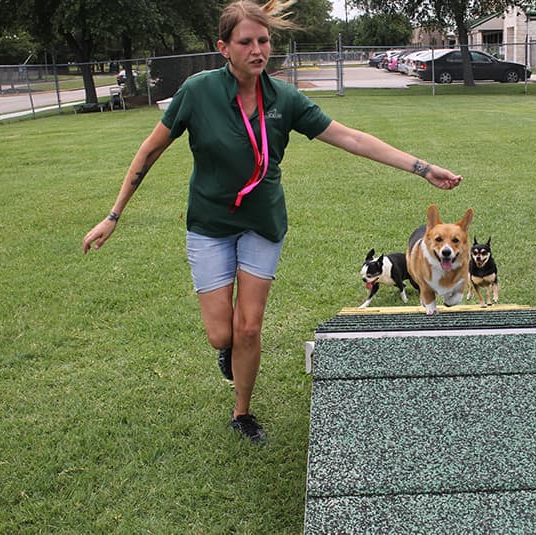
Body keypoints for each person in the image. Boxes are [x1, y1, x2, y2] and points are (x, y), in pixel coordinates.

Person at [82, 0, 462, 445]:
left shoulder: (284, 99)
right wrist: (113, 215)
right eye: (246, 42)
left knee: (249, 327)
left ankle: (242, 412)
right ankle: (228, 352)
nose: (258, 50)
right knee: (221, 332)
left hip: (262, 225)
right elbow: (149, 151)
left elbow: (351, 138)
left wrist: (421, 167)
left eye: (263, 41)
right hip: (209, 225)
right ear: (224, 47)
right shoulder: (197, 92)